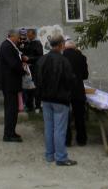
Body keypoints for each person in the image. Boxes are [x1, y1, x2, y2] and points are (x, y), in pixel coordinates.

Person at [35, 35, 77, 166]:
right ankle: (61, 157)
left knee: (49, 128)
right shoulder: (64, 61)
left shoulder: (42, 60)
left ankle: (49, 155)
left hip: (46, 98)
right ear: (61, 45)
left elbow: (37, 79)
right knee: (59, 129)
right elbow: (70, 80)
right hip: (60, 98)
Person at [0, 28, 28, 142]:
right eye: (18, 37)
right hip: (9, 83)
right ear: (12, 36)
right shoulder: (7, 46)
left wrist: (22, 59)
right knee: (11, 109)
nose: (19, 39)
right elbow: (13, 64)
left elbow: (16, 59)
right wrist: (24, 70)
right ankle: (8, 134)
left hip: (12, 83)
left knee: (13, 109)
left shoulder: (10, 46)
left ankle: (11, 132)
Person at [63, 39, 88, 146]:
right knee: (79, 116)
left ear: (65, 47)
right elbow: (85, 75)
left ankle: (67, 140)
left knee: (65, 116)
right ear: (74, 47)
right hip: (78, 89)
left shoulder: (62, 57)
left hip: (65, 89)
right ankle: (81, 140)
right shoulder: (82, 57)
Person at [21, 28, 44, 112]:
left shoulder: (37, 43)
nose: (28, 37)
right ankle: (29, 105)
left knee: (36, 87)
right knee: (28, 87)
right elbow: (23, 53)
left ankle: (38, 105)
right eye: (27, 35)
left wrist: (29, 59)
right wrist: (23, 60)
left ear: (34, 35)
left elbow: (40, 57)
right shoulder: (26, 43)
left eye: (30, 35)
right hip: (27, 68)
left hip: (35, 69)